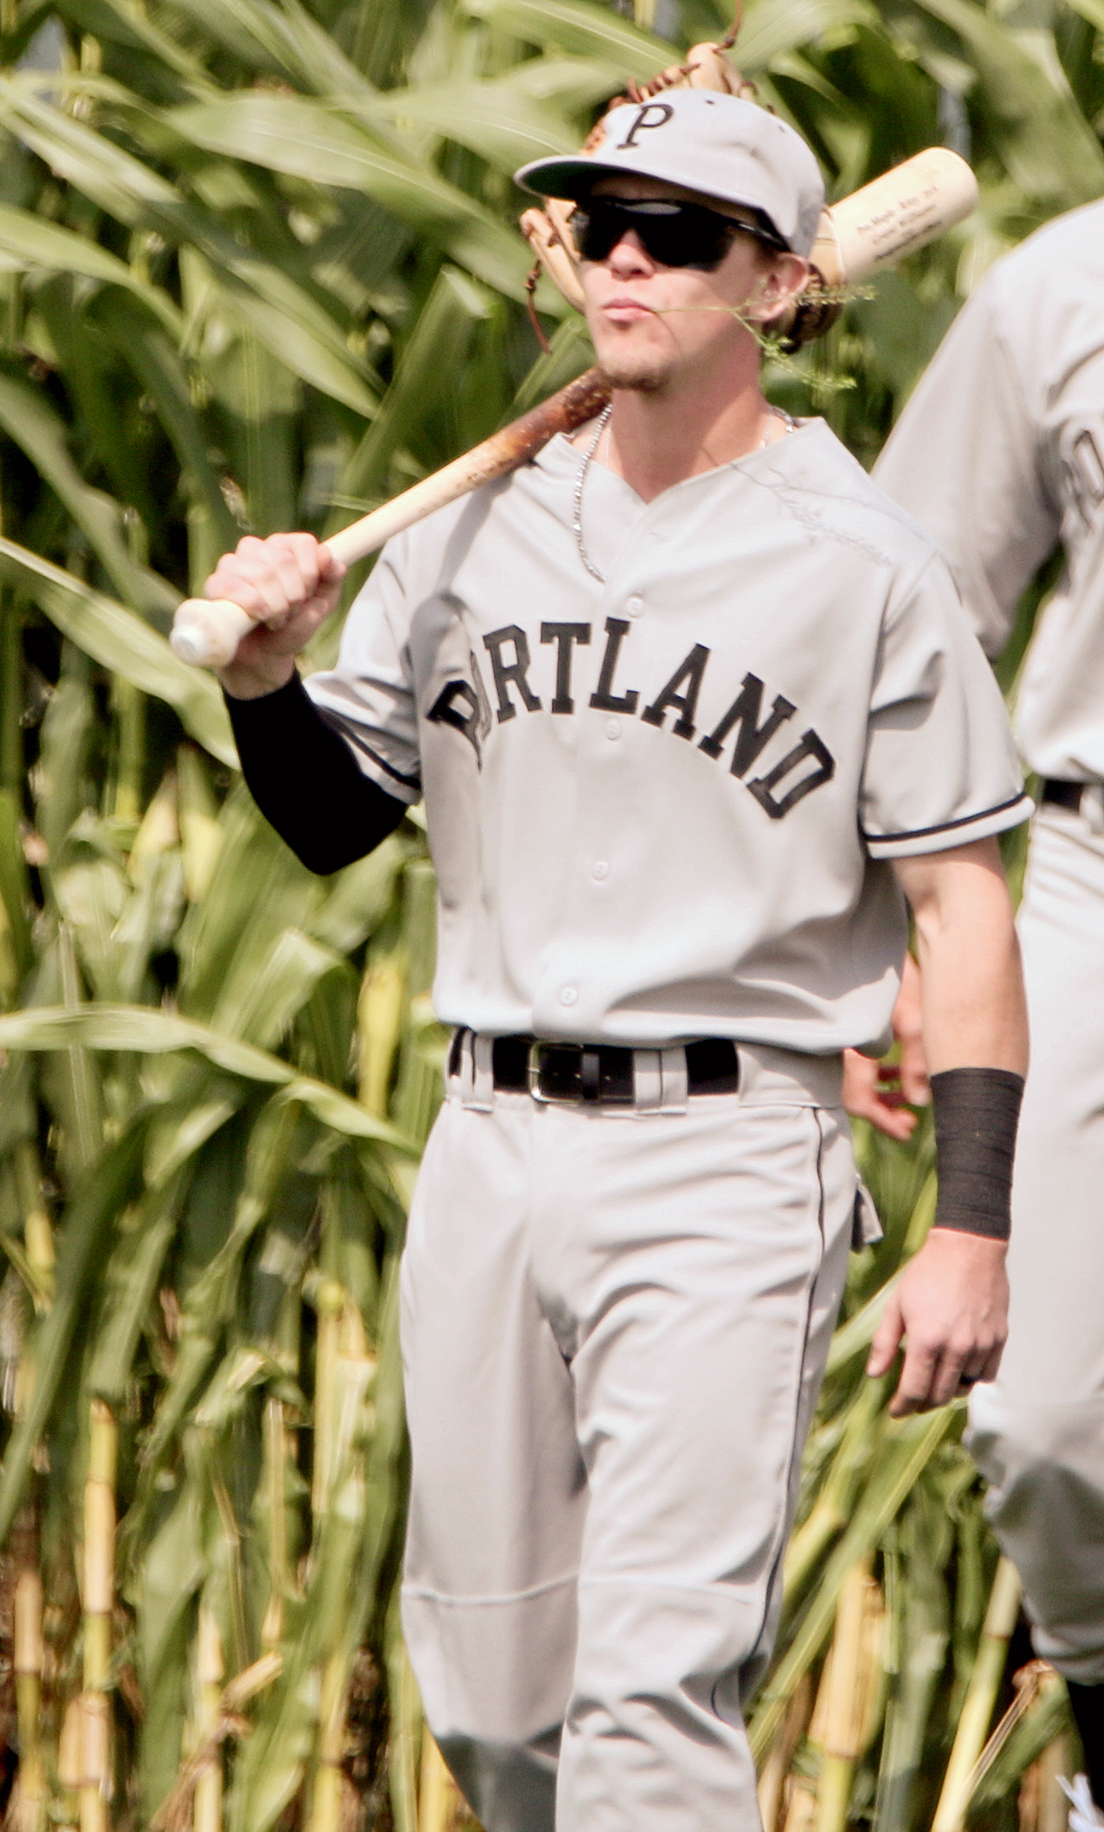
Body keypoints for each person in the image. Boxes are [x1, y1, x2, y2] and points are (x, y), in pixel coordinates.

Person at [205, 90, 1031, 1832]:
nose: (628, 259)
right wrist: (267, 686)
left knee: (652, 1697)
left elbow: (961, 908)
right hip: (487, 1151)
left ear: (779, 283)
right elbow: (336, 823)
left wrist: (969, 1226)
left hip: (727, 1157)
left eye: (681, 231)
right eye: (600, 226)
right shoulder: (462, 530)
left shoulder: (863, 563)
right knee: (495, 1709)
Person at [872, 202, 1104, 1830]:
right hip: (1094, 874)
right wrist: (877, 928)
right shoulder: (1064, 286)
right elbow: (912, 609)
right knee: (1046, 1420)